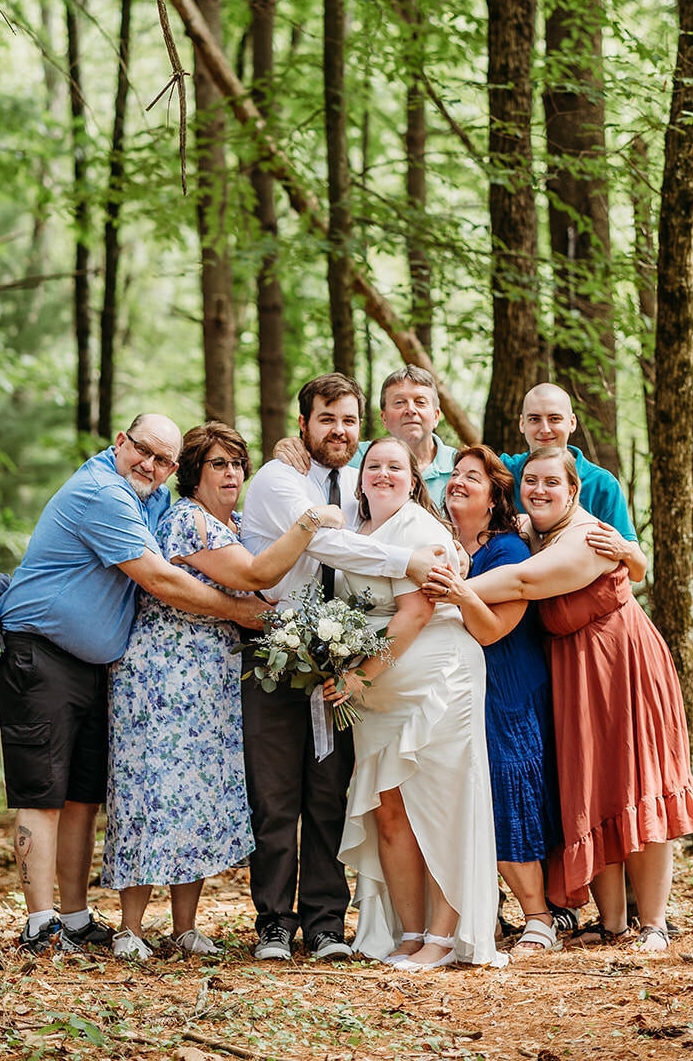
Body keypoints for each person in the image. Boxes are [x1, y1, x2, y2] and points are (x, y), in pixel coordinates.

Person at [0, 415, 273, 954]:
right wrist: (241, 612)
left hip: (91, 664)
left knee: (82, 797)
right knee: (43, 794)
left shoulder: (152, 497)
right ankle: (40, 924)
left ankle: (74, 919)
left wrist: (286, 458)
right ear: (120, 442)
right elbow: (163, 580)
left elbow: (214, 520)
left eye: (164, 460)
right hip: (37, 651)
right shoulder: (103, 493)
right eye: (143, 451)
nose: (152, 465)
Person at [426, 444, 693, 956]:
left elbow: (524, 580)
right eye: (531, 480)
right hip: (573, 674)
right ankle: (614, 924)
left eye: (553, 482)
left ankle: (655, 924)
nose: (540, 489)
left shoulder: (590, 536)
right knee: (593, 791)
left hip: (622, 667)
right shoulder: (533, 530)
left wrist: (449, 591)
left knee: (637, 782)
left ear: (574, 490)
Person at [102, 421, 347, 960]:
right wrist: (312, 519)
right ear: (193, 473)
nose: (232, 472)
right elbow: (258, 571)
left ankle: (185, 927)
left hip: (211, 678)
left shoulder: (230, 522)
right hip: (163, 675)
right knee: (152, 792)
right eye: (218, 463)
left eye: (238, 463)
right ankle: (130, 928)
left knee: (195, 796)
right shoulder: (189, 520)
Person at [239, 374, 449, 964]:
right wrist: (409, 560)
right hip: (276, 653)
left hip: (344, 659)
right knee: (276, 795)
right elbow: (326, 549)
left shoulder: (363, 490)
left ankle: (327, 923)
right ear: (303, 425)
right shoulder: (281, 480)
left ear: (363, 429)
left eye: (349, 420)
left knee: (330, 794)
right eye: (327, 418)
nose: (339, 430)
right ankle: (275, 924)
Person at [324, 438, 506, 969]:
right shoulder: (355, 535)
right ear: (360, 478)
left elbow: (417, 612)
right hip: (378, 695)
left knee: (441, 808)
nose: (382, 474)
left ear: (412, 479)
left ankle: (444, 936)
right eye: (373, 465)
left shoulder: (420, 530)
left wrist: (361, 675)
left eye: (394, 467)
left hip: (436, 683)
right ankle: (407, 932)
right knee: (389, 812)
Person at [442, 445, 562, 954]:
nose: (459, 481)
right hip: (456, 691)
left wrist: (458, 590)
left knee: (507, 791)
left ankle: (540, 919)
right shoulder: (441, 543)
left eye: (473, 476)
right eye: (455, 474)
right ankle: (484, 914)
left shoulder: (509, 550)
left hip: (507, 689)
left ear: (494, 497)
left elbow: (494, 632)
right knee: (465, 798)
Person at [500, 383, 646, 581]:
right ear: (522, 424)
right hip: (514, 597)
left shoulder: (602, 484)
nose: (545, 429)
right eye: (534, 419)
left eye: (554, 419)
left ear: (572, 422)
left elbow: (638, 572)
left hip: (577, 603)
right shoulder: (504, 472)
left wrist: (625, 550)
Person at [274, 365, 457, 509]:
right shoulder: (353, 454)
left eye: (420, 402)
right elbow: (319, 446)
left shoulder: (459, 466)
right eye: (399, 402)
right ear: (383, 418)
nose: (410, 410)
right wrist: (288, 444)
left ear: (436, 416)